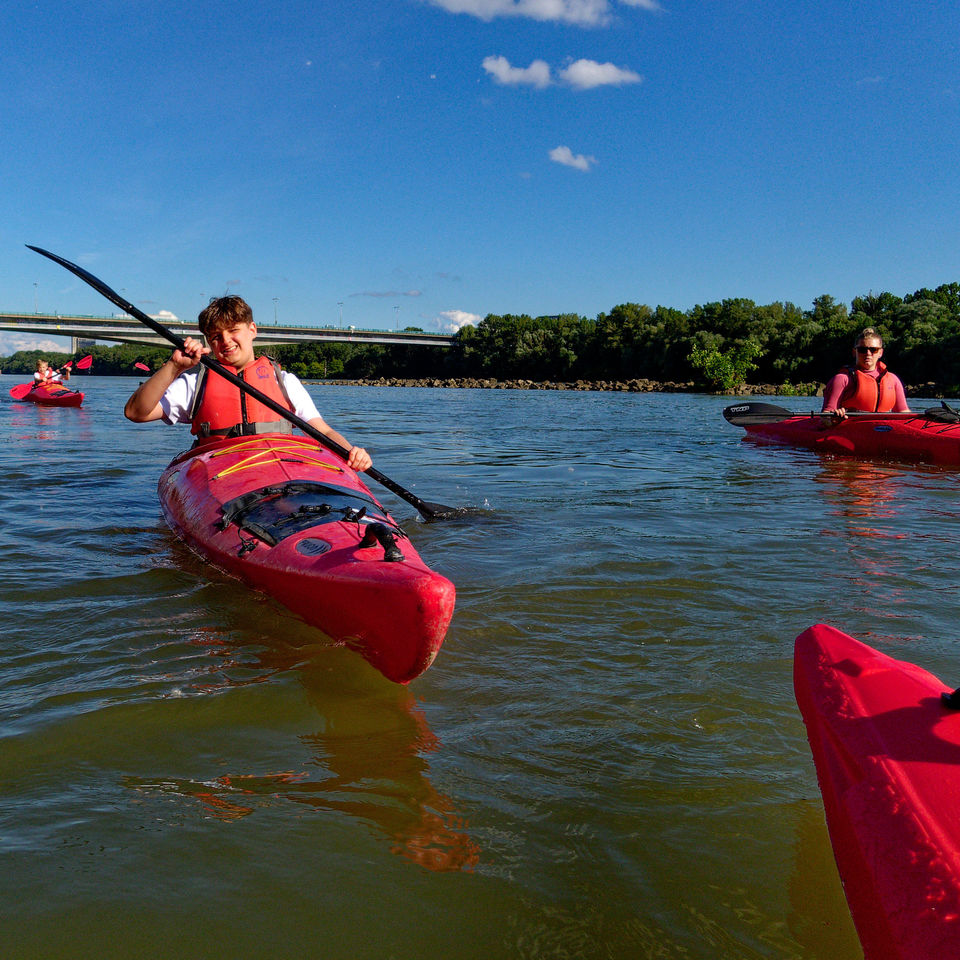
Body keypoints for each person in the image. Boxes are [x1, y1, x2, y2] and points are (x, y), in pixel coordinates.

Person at [123, 295, 372, 472]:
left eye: (233, 330)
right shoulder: (193, 384)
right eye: (216, 337)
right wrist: (174, 367)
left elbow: (323, 432)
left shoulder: (284, 381)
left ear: (252, 329)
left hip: (279, 470)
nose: (226, 341)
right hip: (221, 475)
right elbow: (135, 412)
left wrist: (351, 452)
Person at [821, 327, 910, 418]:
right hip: (850, 428)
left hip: (883, 428)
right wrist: (833, 420)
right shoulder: (842, 379)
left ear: (880, 352)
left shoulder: (893, 379)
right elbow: (825, 417)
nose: (868, 353)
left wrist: (922, 417)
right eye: (862, 350)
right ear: (854, 352)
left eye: (873, 350)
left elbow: (904, 413)